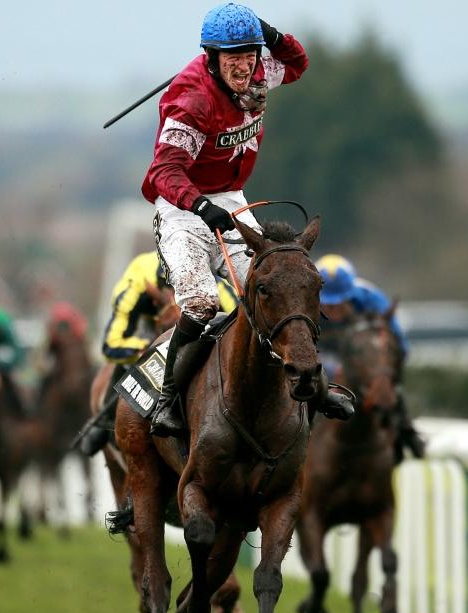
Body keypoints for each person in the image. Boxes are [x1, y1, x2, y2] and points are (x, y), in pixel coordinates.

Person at [142, 2, 352, 435]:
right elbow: (165, 172)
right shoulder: (192, 100)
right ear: (212, 58)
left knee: (277, 283)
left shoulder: (259, 73)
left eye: (250, 54)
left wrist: (269, 34)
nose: (243, 67)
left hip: (231, 198)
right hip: (183, 206)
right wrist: (202, 207)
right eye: (232, 57)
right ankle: (166, 399)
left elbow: (297, 63)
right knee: (202, 304)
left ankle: (316, 387)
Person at [76, 251, 237, 456]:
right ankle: (107, 421)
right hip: (148, 325)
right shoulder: (137, 284)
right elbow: (111, 346)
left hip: (197, 324)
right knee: (133, 361)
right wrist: (144, 349)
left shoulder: (214, 284)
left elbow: (239, 322)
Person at [316, 253, 424, 461]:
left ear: (350, 296)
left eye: (339, 303)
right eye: (327, 304)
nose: (333, 311)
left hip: (364, 360)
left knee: (387, 385)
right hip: (323, 353)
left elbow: (397, 344)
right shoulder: (305, 298)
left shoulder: (372, 300)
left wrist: (386, 373)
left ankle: (406, 430)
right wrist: (330, 368)